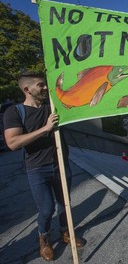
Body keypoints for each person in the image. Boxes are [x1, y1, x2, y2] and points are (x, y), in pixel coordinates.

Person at [3, 72, 85, 261]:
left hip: (61, 164)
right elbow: (13, 143)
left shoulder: (53, 106)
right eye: (41, 85)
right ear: (27, 89)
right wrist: (45, 129)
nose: (45, 88)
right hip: (37, 169)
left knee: (65, 204)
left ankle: (66, 233)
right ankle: (44, 238)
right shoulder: (15, 112)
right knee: (47, 208)